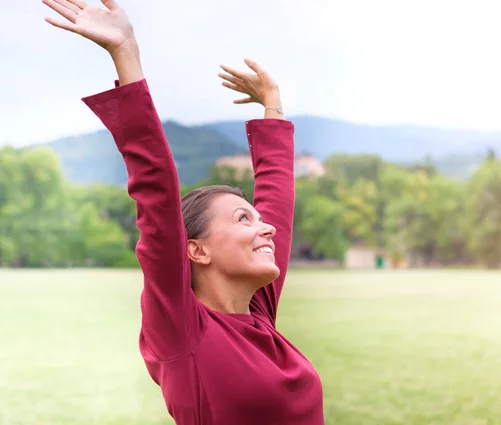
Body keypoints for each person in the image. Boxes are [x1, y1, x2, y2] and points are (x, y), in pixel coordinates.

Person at [42, 0, 325, 424]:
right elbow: (155, 191)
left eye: (256, 218)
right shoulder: (181, 330)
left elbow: (278, 205)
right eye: (243, 219)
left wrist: (273, 106)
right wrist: (126, 53)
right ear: (196, 250)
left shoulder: (257, 315)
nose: (266, 229)